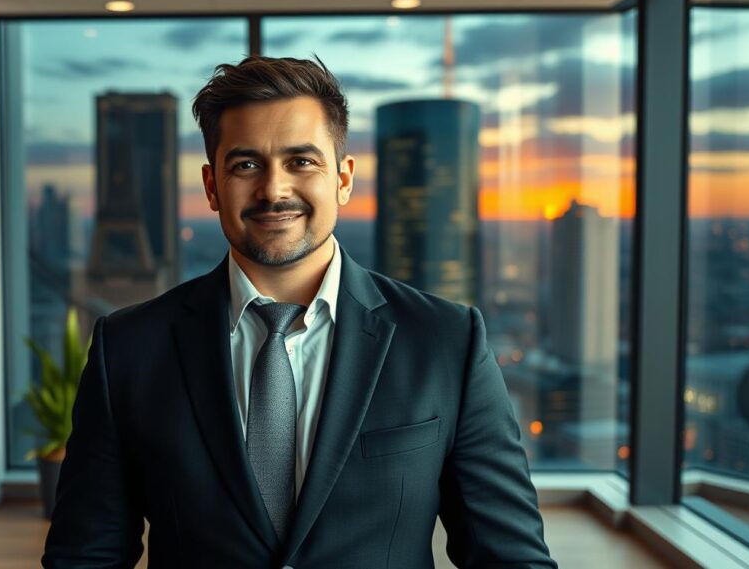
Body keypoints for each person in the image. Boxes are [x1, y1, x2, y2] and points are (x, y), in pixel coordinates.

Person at [43, 56, 555, 569]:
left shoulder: (446, 341)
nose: (274, 189)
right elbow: (85, 558)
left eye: (302, 161)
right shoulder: (129, 348)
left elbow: (510, 558)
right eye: (245, 164)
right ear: (212, 186)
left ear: (344, 178)